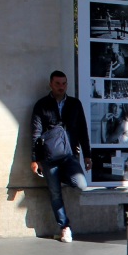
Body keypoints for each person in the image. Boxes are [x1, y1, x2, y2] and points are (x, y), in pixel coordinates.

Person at [31, 70, 92, 242]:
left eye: (64, 83)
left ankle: (59, 177)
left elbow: (82, 130)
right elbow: (35, 133)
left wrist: (88, 155)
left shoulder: (74, 104)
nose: (61, 87)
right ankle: (64, 226)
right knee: (55, 193)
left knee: (81, 184)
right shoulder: (41, 105)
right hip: (49, 157)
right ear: (50, 84)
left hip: (69, 155)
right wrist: (35, 159)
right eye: (57, 83)